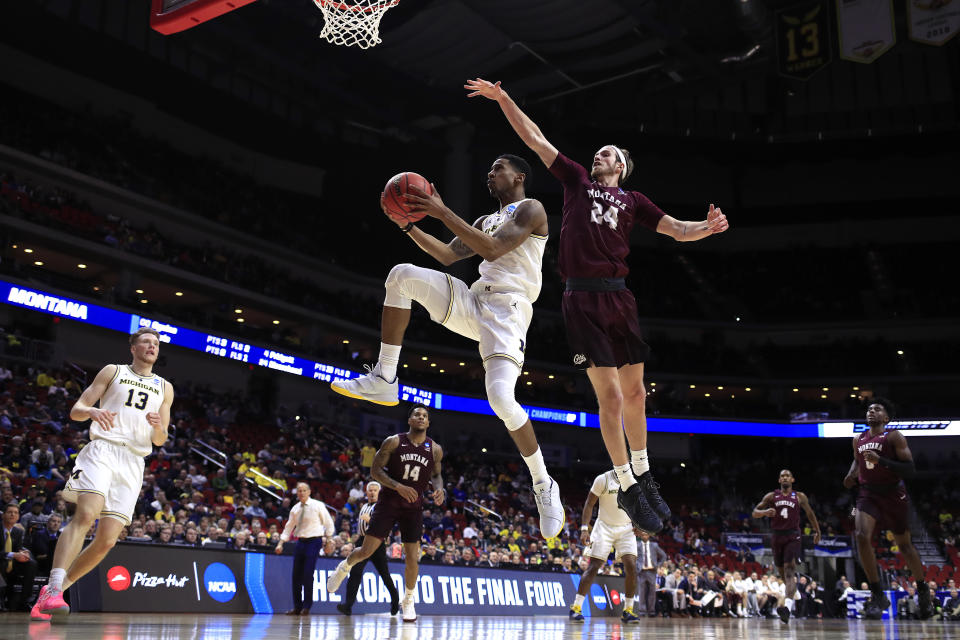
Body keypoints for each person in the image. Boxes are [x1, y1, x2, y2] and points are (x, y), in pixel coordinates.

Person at [465, 77, 729, 533]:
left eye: (608, 153)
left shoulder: (634, 200)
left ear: (622, 167)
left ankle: (644, 476)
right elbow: (535, 138)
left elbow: (676, 229)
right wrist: (504, 98)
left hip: (619, 296)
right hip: (582, 296)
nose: (598, 156)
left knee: (635, 394)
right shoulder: (577, 180)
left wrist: (708, 228)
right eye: (598, 152)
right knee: (607, 396)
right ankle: (626, 483)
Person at [330, 154, 564, 540]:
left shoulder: (532, 209)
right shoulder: (483, 220)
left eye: (498, 168)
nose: (490, 173)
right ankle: (385, 376)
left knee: (502, 400)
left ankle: (543, 483)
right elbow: (447, 254)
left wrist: (440, 211)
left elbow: (492, 249)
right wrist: (408, 226)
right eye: (488, 169)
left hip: (508, 311)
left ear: (519, 176)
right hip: (475, 300)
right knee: (401, 275)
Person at [32, 327, 173, 622]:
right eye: (146, 341)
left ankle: (53, 592)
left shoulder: (165, 387)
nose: (152, 346)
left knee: (107, 541)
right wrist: (93, 412)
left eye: (156, 343)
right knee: (85, 516)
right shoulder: (113, 371)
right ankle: (53, 588)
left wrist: (158, 426)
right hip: (104, 450)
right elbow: (77, 409)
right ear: (132, 348)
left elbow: (160, 440)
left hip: (134, 461)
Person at [326, 406, 444, 623]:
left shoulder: (435, 449)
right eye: (417, 414)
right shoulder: (394, 441)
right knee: (366, 550)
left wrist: (439, 488)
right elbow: (375, 471)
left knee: (412, 556)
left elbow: (436, 475)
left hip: (413, 506)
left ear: (428, 423)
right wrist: (398, 486)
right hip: (389, 502)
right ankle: (343, 568)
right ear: (409, 419)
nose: (421, 417)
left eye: (425, 416)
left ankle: (408, 600)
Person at [843, 399, 933, 620]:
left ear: (886, 417)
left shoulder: (894, 436)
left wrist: (881, 460)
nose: (871, 411)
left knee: (904, 545)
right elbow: (857, 462)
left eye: (877, 409)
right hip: (868, 493)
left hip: (893, 493)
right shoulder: (858, 439)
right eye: (869, 409)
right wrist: (851, 473)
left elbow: (910, 470)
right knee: (861, 536)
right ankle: (877, 593)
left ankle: (922, 589)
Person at [569, 469, 640, 624]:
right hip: (604, 527)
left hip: (627, 529)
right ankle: (575, 608)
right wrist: (584, 529)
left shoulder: (633, 481)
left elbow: (637, 506)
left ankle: (628, 611)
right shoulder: (603, 479)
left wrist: (640, 524)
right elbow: (589, 503)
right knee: (594, 567)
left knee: (631, 566)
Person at [752, 468, 821, 624]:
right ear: (779, 480)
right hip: (776, 536)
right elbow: (754, 512)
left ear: (792, 480)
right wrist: (764, 513)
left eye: (787, 476)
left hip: (793, 536)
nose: (784, 478)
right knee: (782, 573)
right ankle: (793, 592)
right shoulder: (771, 496)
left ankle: (787, 608)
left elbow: (810, 514)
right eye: (782, 476)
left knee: (790, 571)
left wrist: (818, 531)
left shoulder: (799, 496)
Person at [336, 481, 400, 617]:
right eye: (369, 490)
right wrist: (357, 539)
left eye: (374, 490)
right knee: (355, 572)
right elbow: (361, 526)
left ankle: (395, 601)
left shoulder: (383, 506)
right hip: (362, 540)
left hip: (376, 542)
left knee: (384, 574)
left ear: (379, 492)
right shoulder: (364, 506)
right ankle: (348, 605)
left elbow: (384, 525)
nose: (371, 492)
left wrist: (370, 520)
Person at [275, 482, 335, 616]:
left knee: (308, 574)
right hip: (300, 542)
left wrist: (330, 539)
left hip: (314, 541)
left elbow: (328, 522)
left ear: (309, 492)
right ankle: (297, 607)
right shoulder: (295, 509)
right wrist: (280, 543)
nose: (301, 493)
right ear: (297, 493)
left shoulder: (318, 505)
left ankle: (307, 606)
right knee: (296, 575)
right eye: (299, 491)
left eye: (304, 490)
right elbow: (288, 527)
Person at [1, 503, 37, 612]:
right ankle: (1, 601)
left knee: (31, 563)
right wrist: (13, 555)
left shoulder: (18, 531)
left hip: (13, 564)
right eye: (10, 512)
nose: (13, 515)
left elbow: (19, 548)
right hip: (2, 562)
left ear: (18, 517)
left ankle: (25, 601)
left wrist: (24, 552)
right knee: (2, 563)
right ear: (3, 515)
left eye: (15, 513)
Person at [636, 532, 667, 618]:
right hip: (641, 571)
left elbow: (663, 556)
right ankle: (642, 611)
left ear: (649, 536)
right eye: (642, 535)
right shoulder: (637, 545)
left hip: (652, 571)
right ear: (640, 536)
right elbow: (633, 557)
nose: (644, 536)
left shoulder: (654, 545)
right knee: (641, 592)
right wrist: (636, 566)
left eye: (645, 535)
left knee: (652, 592)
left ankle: (651, 611)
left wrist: (658, 565)